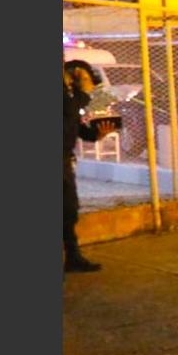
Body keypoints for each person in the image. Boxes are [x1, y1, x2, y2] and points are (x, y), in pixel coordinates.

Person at [64, 59, 114, 272]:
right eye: (84, 77)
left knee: (69, 210)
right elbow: (69, 111)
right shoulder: (68, 96)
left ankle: (73, 256)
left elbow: (72, 123)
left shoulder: (70, 95)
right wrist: (83, 93)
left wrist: (95, 134)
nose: (87, 83)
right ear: (74, 73)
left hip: (64, 161)